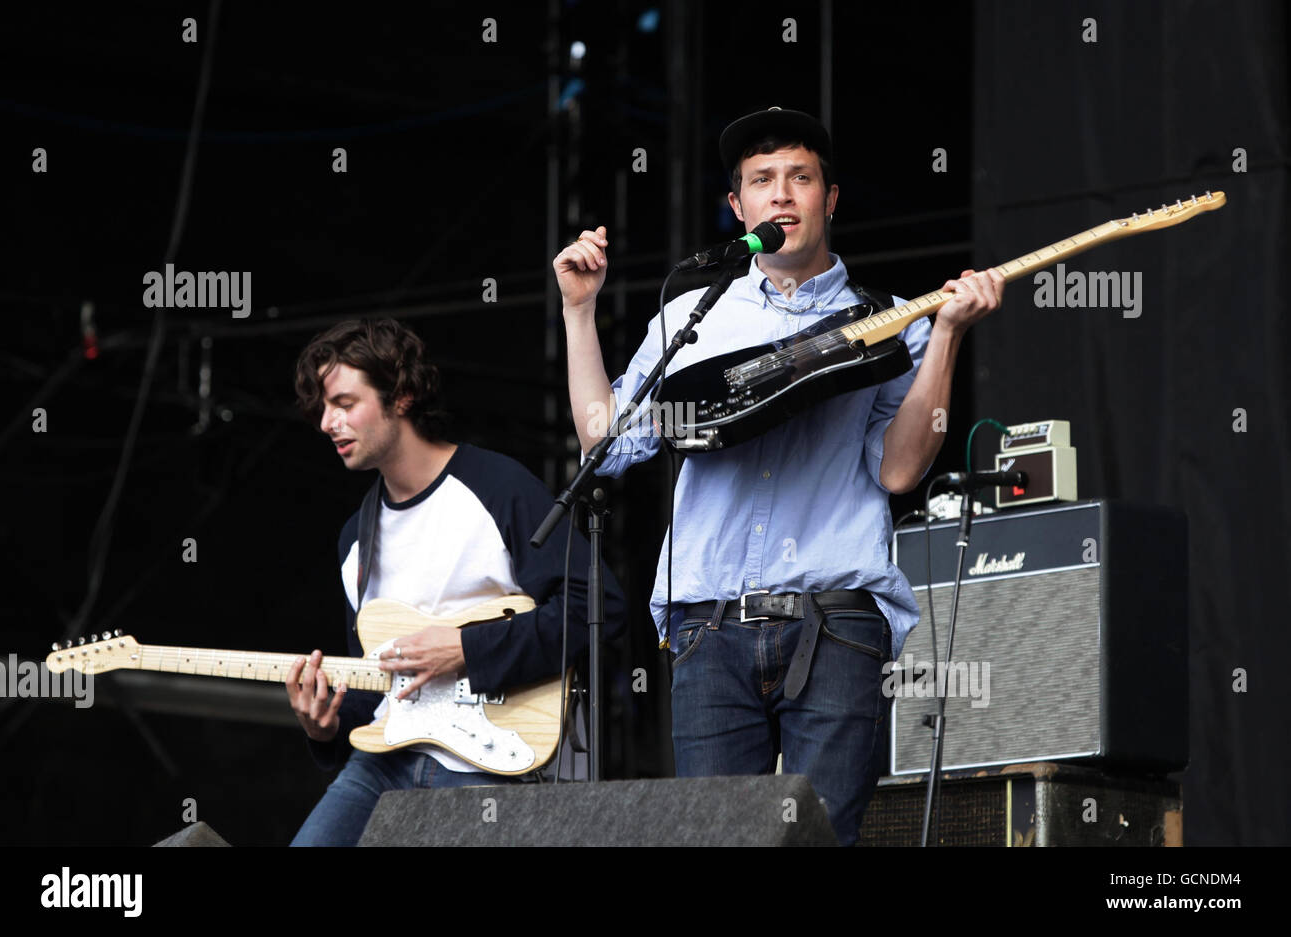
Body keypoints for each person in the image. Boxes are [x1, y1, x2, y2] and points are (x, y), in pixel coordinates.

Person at [553, 107, 1003, 844]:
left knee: (820, 837)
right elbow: (608, 439)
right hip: (707, 625)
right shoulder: (691, 319)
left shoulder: (892, 319)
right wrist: (579, 311)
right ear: (739, 208)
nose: (782, 195)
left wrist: (946, 335)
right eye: (762, 181)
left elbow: (900, 470)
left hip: (836, 620)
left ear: (830, 199)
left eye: (800, 177)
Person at [285, 317, 624, 846]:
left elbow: (597, 606)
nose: (328, 423)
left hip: (495, 760)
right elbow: (380, 679)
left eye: (344, 404)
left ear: (402, 395)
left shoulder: (497, 487)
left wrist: (468, 649)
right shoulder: (356, 538)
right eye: (322, 409)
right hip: (386, 764)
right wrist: (323, 726)